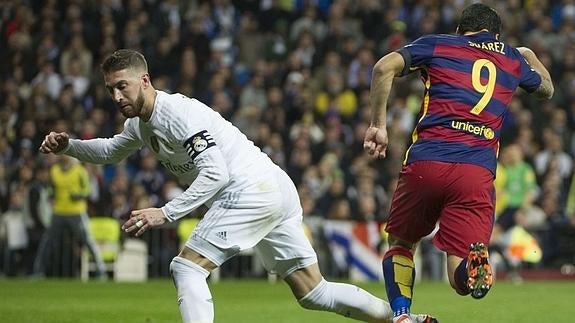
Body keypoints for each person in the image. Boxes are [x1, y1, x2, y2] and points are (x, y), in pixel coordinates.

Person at [39, 49, 436, 323]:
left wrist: (165, 212)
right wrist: (69, 146)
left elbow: (216, 175)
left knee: (185, 268)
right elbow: (109, 151)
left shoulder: (176, 113)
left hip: (249, 190)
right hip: (273, 187)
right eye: (110, 89)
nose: (116, 95)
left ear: (144, 80)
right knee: (314, 293)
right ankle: (401, 318)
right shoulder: (141, 125)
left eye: (122, 85)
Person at [363, 4, 553, 323]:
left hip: (428, 162)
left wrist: (377, 124)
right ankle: (473, 266)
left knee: (401, 243)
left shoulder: (439, 43)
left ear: (460, 31)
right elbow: (546, 89)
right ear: (496, 35)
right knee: (459, 277)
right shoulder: (510, 57)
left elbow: (383, 68)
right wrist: (528, 55)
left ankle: (401, 315)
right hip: (476, 173)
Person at [33, 154, 107, 279]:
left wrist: (79, 195)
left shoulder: (79, 171)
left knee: (88, 241)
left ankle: (101, 270)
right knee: (47, 241)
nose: (63, 157)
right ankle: (38, 271)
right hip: (59, 211)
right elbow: (51, 188)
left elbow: (88, 190)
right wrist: (51, 196)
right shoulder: (54, 170)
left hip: (76, 212)